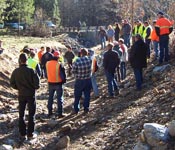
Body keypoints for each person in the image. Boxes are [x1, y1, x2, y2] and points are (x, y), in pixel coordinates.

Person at [10, 53, 40, 140]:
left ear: (20, 60)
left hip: (21, 94)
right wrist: (33, 88)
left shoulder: (16, 71)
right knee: (31, 114)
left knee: (21, 114)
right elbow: (37, 85)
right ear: (27, 60)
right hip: (31, 94)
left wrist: (18, 88)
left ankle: (22, 133)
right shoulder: (32, 70)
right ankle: (30, 133)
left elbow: (12, 83)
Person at [46, 52, 66, 117]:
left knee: (50, 98)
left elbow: (46, 74)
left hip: (50, 83)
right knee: (59, 98)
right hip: (58, 83)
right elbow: (62, 75)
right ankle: (60, 113)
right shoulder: (59, 64)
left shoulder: (47, 63)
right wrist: (64, 81)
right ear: (58, 57)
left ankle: (49, 112)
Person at [72, 48, 92, 114]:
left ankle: (76, 109)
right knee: (87, 95)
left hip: (79, 80)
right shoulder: (90, 59)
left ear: (81, 53)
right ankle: (86, 109)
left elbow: (73, 71)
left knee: (77, 96)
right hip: (88, 79)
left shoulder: (77, 61)